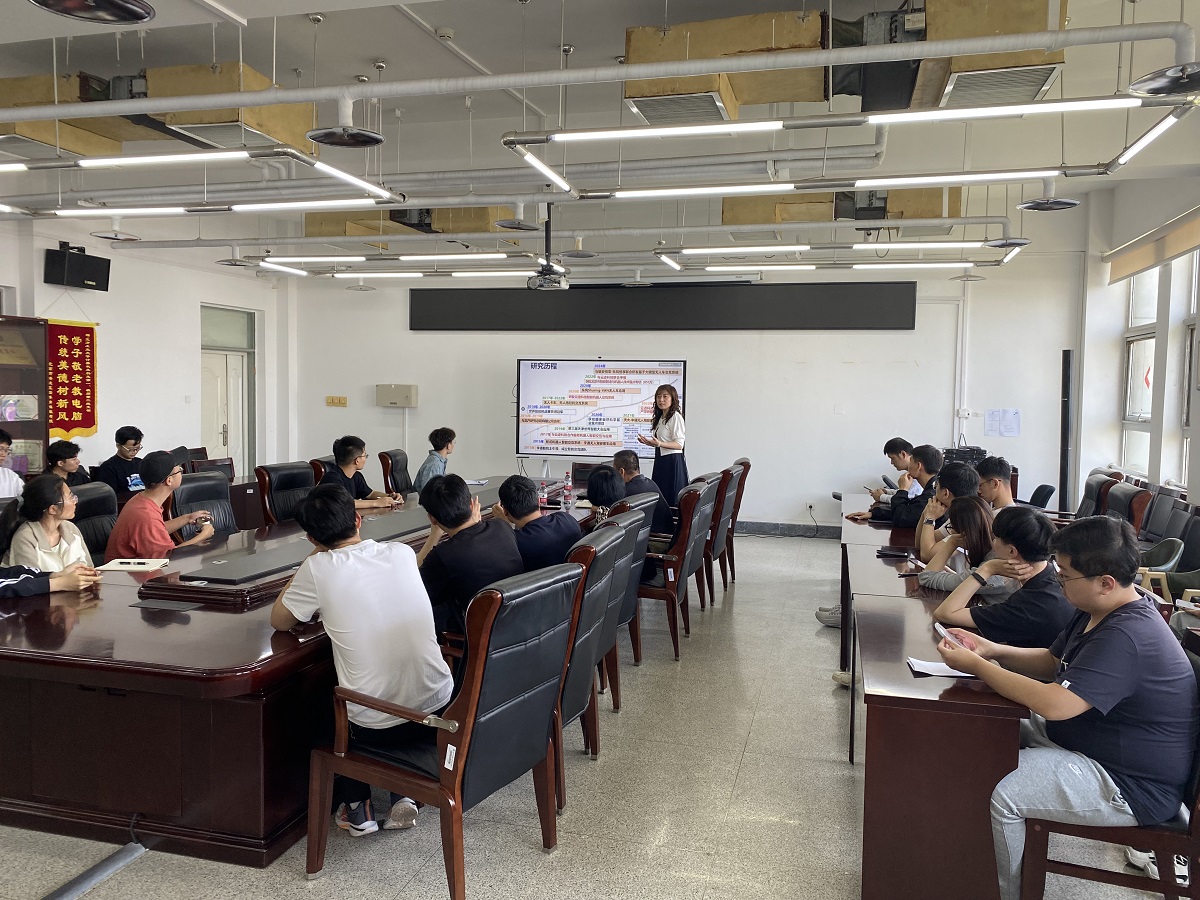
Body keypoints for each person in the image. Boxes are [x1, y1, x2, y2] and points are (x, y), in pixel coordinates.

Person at [935, 516, 1199, 900]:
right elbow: (1050, 662)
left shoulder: (1128, 635)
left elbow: (1055, 704)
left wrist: (978, 666)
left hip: (1128, 783)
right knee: (984, 731)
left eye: (1064, 575)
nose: (1058, 581)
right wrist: (991, 650)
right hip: (1090, 746)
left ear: (1105, 582)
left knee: (1003, 790)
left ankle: (1007, 893)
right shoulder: (1099, 609)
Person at [270, 484, 453, 837]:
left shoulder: (319, 568)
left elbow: (279, 621)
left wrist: (311, 560)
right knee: (381, 678)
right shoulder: (401, 552)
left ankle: (357, 808)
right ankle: (405, 791)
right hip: (439, 710)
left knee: (325, 695)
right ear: (358, 519)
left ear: (311, 538)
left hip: (379, 730)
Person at [933, 505, 1074, 648]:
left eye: (996, 538)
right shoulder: (1054, 576)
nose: (992, 543)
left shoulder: (1027, 604)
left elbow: (945, 613)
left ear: (1012, 551)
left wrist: (987, 569)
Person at [416, 474, 522, 636]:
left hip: (480, 634)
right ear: (472, 504)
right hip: (517, 620)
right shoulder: (502, 526)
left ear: (432, 519)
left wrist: (434, 534)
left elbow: (416, 589)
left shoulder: (443, 555)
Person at [105, 451, 215, 561]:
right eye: (180, 470)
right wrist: (203, 535)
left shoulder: (141, 501)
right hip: (130, 571)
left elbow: (157, 530)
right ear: (169, 480)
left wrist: (188, 518)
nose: (181, 473)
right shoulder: (146, 515)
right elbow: (168, 559)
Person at [918, 495, 1018, 600]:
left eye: (951, 528)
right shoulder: (993, 555)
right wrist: (956, 576)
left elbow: (926, 578)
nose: (994, 542)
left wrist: (952, 542)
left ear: (964, 533)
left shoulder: (997, 570)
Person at [0, 474, 92, 572]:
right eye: (70, 497)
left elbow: (89, 567)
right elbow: (29, 579)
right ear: (53, 509)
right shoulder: (25, 538)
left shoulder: (71, 528)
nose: (75, 501)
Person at [493, 474, 582, 572]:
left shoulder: (515, 544)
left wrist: (504, 524)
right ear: (539, 501)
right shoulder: (568, 520)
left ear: (505, 511)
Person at [845, 444, 942, 530]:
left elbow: (901, 519)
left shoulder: (931, 495)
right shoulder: (932, 488)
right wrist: (873, 514)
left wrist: (903, 490)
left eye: (911, 461)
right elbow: (910, 511)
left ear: (918, 466)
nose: (909, 465)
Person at [915, 461, 980, 563]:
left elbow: (927, 556)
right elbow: (920, 544)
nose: (934, 490)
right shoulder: (959, 514)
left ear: (945, 493)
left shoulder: (969, 521)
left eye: (936, 485)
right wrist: (926, 513)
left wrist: (930, 518)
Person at [320, 436, 404, 509]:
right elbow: (344, 503)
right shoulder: (332, 479)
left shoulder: (356, 476)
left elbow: (370, 494)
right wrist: (376, 503)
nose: (366, 459)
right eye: (365, 456)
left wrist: (389, 497)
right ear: (357, 460)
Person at [638, 384, 687, 504]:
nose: (661, 400)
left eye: (665, 396)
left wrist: (659, 443)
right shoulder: (661, 417)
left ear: (673, 399)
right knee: (661, 495)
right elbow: (662, 442)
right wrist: (649, 443)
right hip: (661, 459)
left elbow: (679, 444)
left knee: (670, 496)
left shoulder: (675, 417)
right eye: (658, 396)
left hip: (672, 461)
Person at [612, 449, 673, 536]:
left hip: (655, 539)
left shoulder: (628, 491)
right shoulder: (649, 482)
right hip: (666, 534)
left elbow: (613, 513)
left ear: (622, 471)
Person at [867, 437, 923, 505]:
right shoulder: (911, 474)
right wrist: (887, 491)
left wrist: (881, 497)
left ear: (903, 454)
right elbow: (905, 493)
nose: (892, 462)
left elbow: (908, 499)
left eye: (892, 458)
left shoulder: (917, 474)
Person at [95, 426, 145, 497]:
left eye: (137, 448)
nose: (135, 452)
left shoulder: (142, 463)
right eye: (130, 449)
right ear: (118, 446)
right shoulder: (108, 468)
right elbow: (109, 496)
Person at [413, 427, 455, 494]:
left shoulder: (438, 461)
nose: (453, 445)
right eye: (453, 442)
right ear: (448, 445)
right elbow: (429, 493)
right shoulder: (434, 465)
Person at [0, 430, 25, 499]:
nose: (4, 454)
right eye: (0, 449)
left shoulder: (10, 476)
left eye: (6, 450)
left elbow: (28, 496)